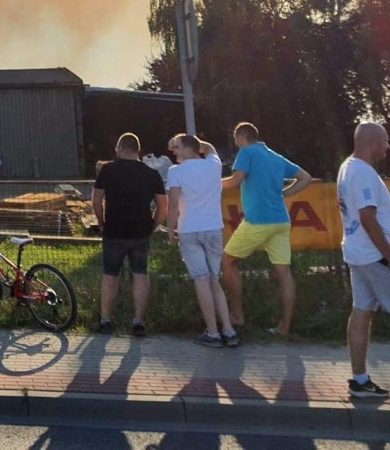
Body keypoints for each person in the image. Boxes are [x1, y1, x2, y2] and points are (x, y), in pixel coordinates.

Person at [338, 122, 390, 400]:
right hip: (378, 257)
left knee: (361, 310)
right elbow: (367, 217)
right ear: (373, 143)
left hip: (357, 254)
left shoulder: (346, 167)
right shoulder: (362, 173)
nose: (388, 147)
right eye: (385, 142)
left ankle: (359, 380)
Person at [220, 122, 313, 335]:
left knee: (227, 260)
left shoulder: (246, 152)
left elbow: (236, 180)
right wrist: (285, 194)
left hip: (257, 220)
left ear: (241, 138)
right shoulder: (275, 156)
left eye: (236, 141)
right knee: (284, 272)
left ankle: (236, 315)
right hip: (281, 219)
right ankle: (285, 326)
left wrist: (211, 183)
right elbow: (305, 178)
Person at [92, 132, 168, 337]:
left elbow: (96, 200)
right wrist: (153, 226)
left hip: (114, 231)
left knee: (110, 276)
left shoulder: (107, 170)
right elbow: (163, 206)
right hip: (140, 231)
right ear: (138, 150)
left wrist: (101, 223)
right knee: (140, 275)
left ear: (121, 148)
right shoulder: (151, 174)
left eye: (117, 148)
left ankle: (106, 320)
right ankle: (138, 322)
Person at [166, 134, 239, 348]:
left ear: (189, 149)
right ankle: (228, 329)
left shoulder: (175, 172)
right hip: (214, 228)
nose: (174, 151)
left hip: (189, 230)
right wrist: (192, 143)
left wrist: (171, 229)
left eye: (177, 147)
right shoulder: (213, 165)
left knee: (201, 280)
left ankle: (213, 332)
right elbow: (210, 147)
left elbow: (172, 205)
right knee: (214, 280)